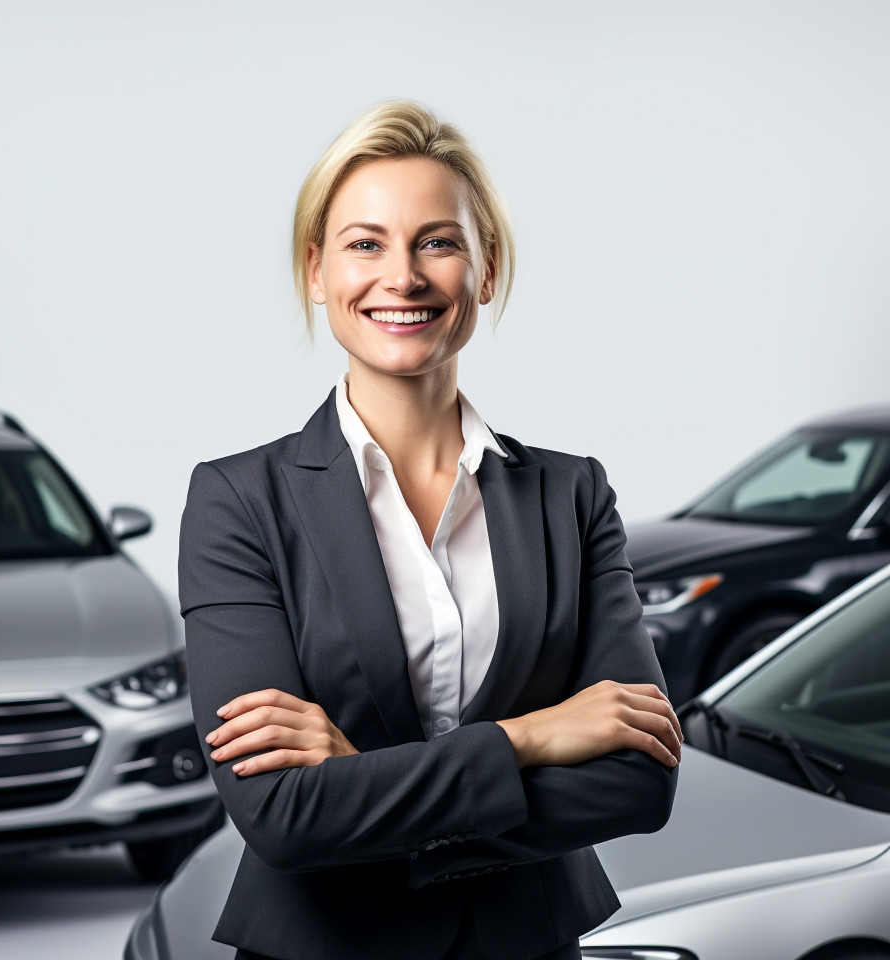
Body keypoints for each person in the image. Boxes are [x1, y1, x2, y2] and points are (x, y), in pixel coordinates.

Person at [178, 101, 682, 960]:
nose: (402, 276)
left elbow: (638, 781)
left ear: (485, 272)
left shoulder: (572, 496)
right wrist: (533, 737)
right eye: (365, 244)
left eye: (438, 242)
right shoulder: (239, 501)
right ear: (316, 271)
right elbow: (282, 815)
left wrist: (362, 785)